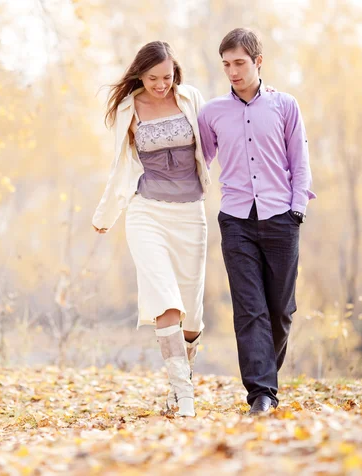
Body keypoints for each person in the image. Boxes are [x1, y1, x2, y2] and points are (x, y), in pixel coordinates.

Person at [197, 28, 316, 415]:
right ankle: (261, 394)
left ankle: (266, 379)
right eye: (226, 64)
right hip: (235, 221)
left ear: (258, 62)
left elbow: (300, 161)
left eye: (239, 63)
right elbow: (199, 161)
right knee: (250, 308)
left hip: (281, 216)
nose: (232, 71)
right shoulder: (212, 113)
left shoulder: (285, 106)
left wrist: (297, 208)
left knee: (281, 310)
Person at [92, 41, 211, 417]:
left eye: (167, 76)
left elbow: (218, 139)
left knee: (191, 314)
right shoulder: (129, 108)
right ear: (139, 76)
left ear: (176, 72)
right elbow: (120, 167)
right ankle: (185, 397)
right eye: (153, 78)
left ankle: (183, 376)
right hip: (147, 212)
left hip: (191, 213)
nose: (161, 84)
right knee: (165, 299)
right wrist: (106, 215)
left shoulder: (191, 98)